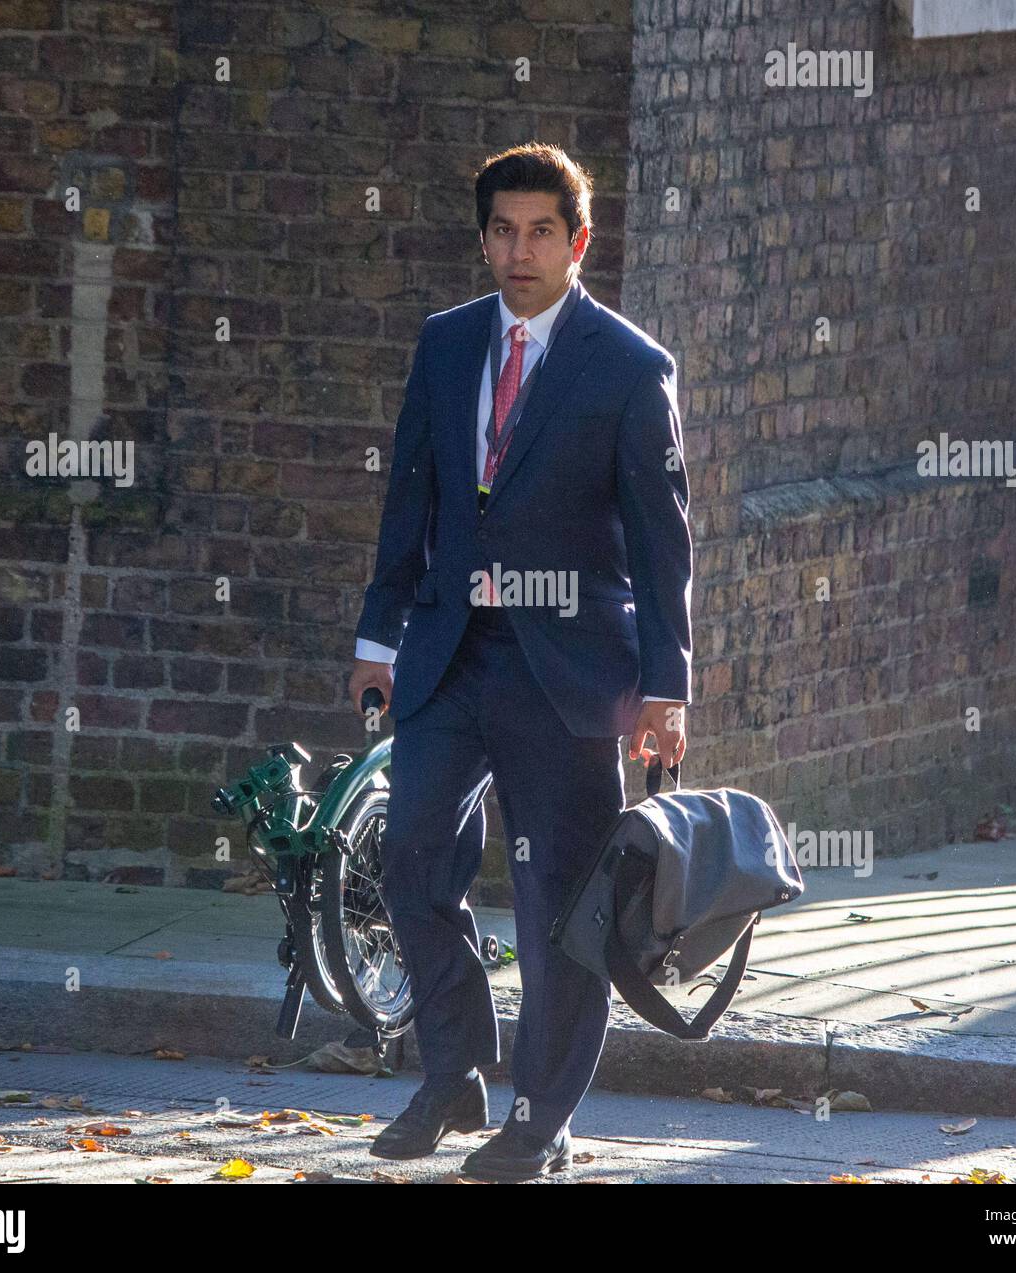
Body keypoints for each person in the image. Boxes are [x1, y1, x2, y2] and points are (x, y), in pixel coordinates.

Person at [348, 141, 692, 1182]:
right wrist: (378, 637)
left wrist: (666, 688)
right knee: (408, 855)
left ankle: (540, 1124)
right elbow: (411, 497)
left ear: (578, 242)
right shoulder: (448, 345)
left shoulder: (630, 369)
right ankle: (453, 1070)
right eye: (501, 229)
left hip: (569, 672)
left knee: (553, 911)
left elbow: (664, 538)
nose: (518, 249)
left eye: (541, 230)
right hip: (449, 656)